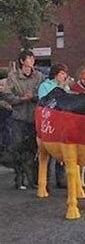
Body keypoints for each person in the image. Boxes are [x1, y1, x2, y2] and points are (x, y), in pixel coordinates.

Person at [2, 50, 43, 189]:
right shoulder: (13, 77)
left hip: (34, 118)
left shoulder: (39, 76)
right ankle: (19, 179)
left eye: (33, 58)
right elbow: (6, 94)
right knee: (18, 148)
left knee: (35, 149)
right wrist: (21, 99)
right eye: (29, 58)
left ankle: (35, 180)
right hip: (19, 118)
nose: (32, 60)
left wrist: (34, 96)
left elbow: (43, 92)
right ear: (22, 61)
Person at [38, 63, 70, 188]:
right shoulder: (45, 86)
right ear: (55, 74)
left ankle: (61, 179)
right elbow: (44, 102)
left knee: (62, 150)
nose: (64, 76)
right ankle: (43, 180)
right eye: (62, 73)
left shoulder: (65, 87)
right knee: (47, 150)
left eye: (65, 73)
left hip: (62, 121)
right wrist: (59, 90)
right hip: (49, 121)